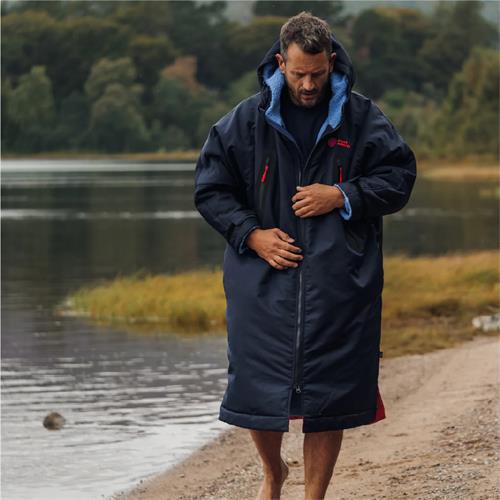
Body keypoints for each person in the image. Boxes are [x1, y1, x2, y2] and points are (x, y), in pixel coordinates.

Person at [194, 11, 417, 500]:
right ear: (281, 63)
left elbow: (400, 178)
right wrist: (252, 235)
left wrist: (342, 195)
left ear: (331, 61)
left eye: (317, 73)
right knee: (256, 390)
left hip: (340, 284)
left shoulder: (363, 118)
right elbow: (210, 190)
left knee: (329, 398)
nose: (309, 84)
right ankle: (273, 473)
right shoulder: (243, 122)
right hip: (261, 283)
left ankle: (313, 497)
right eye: (299, 74)